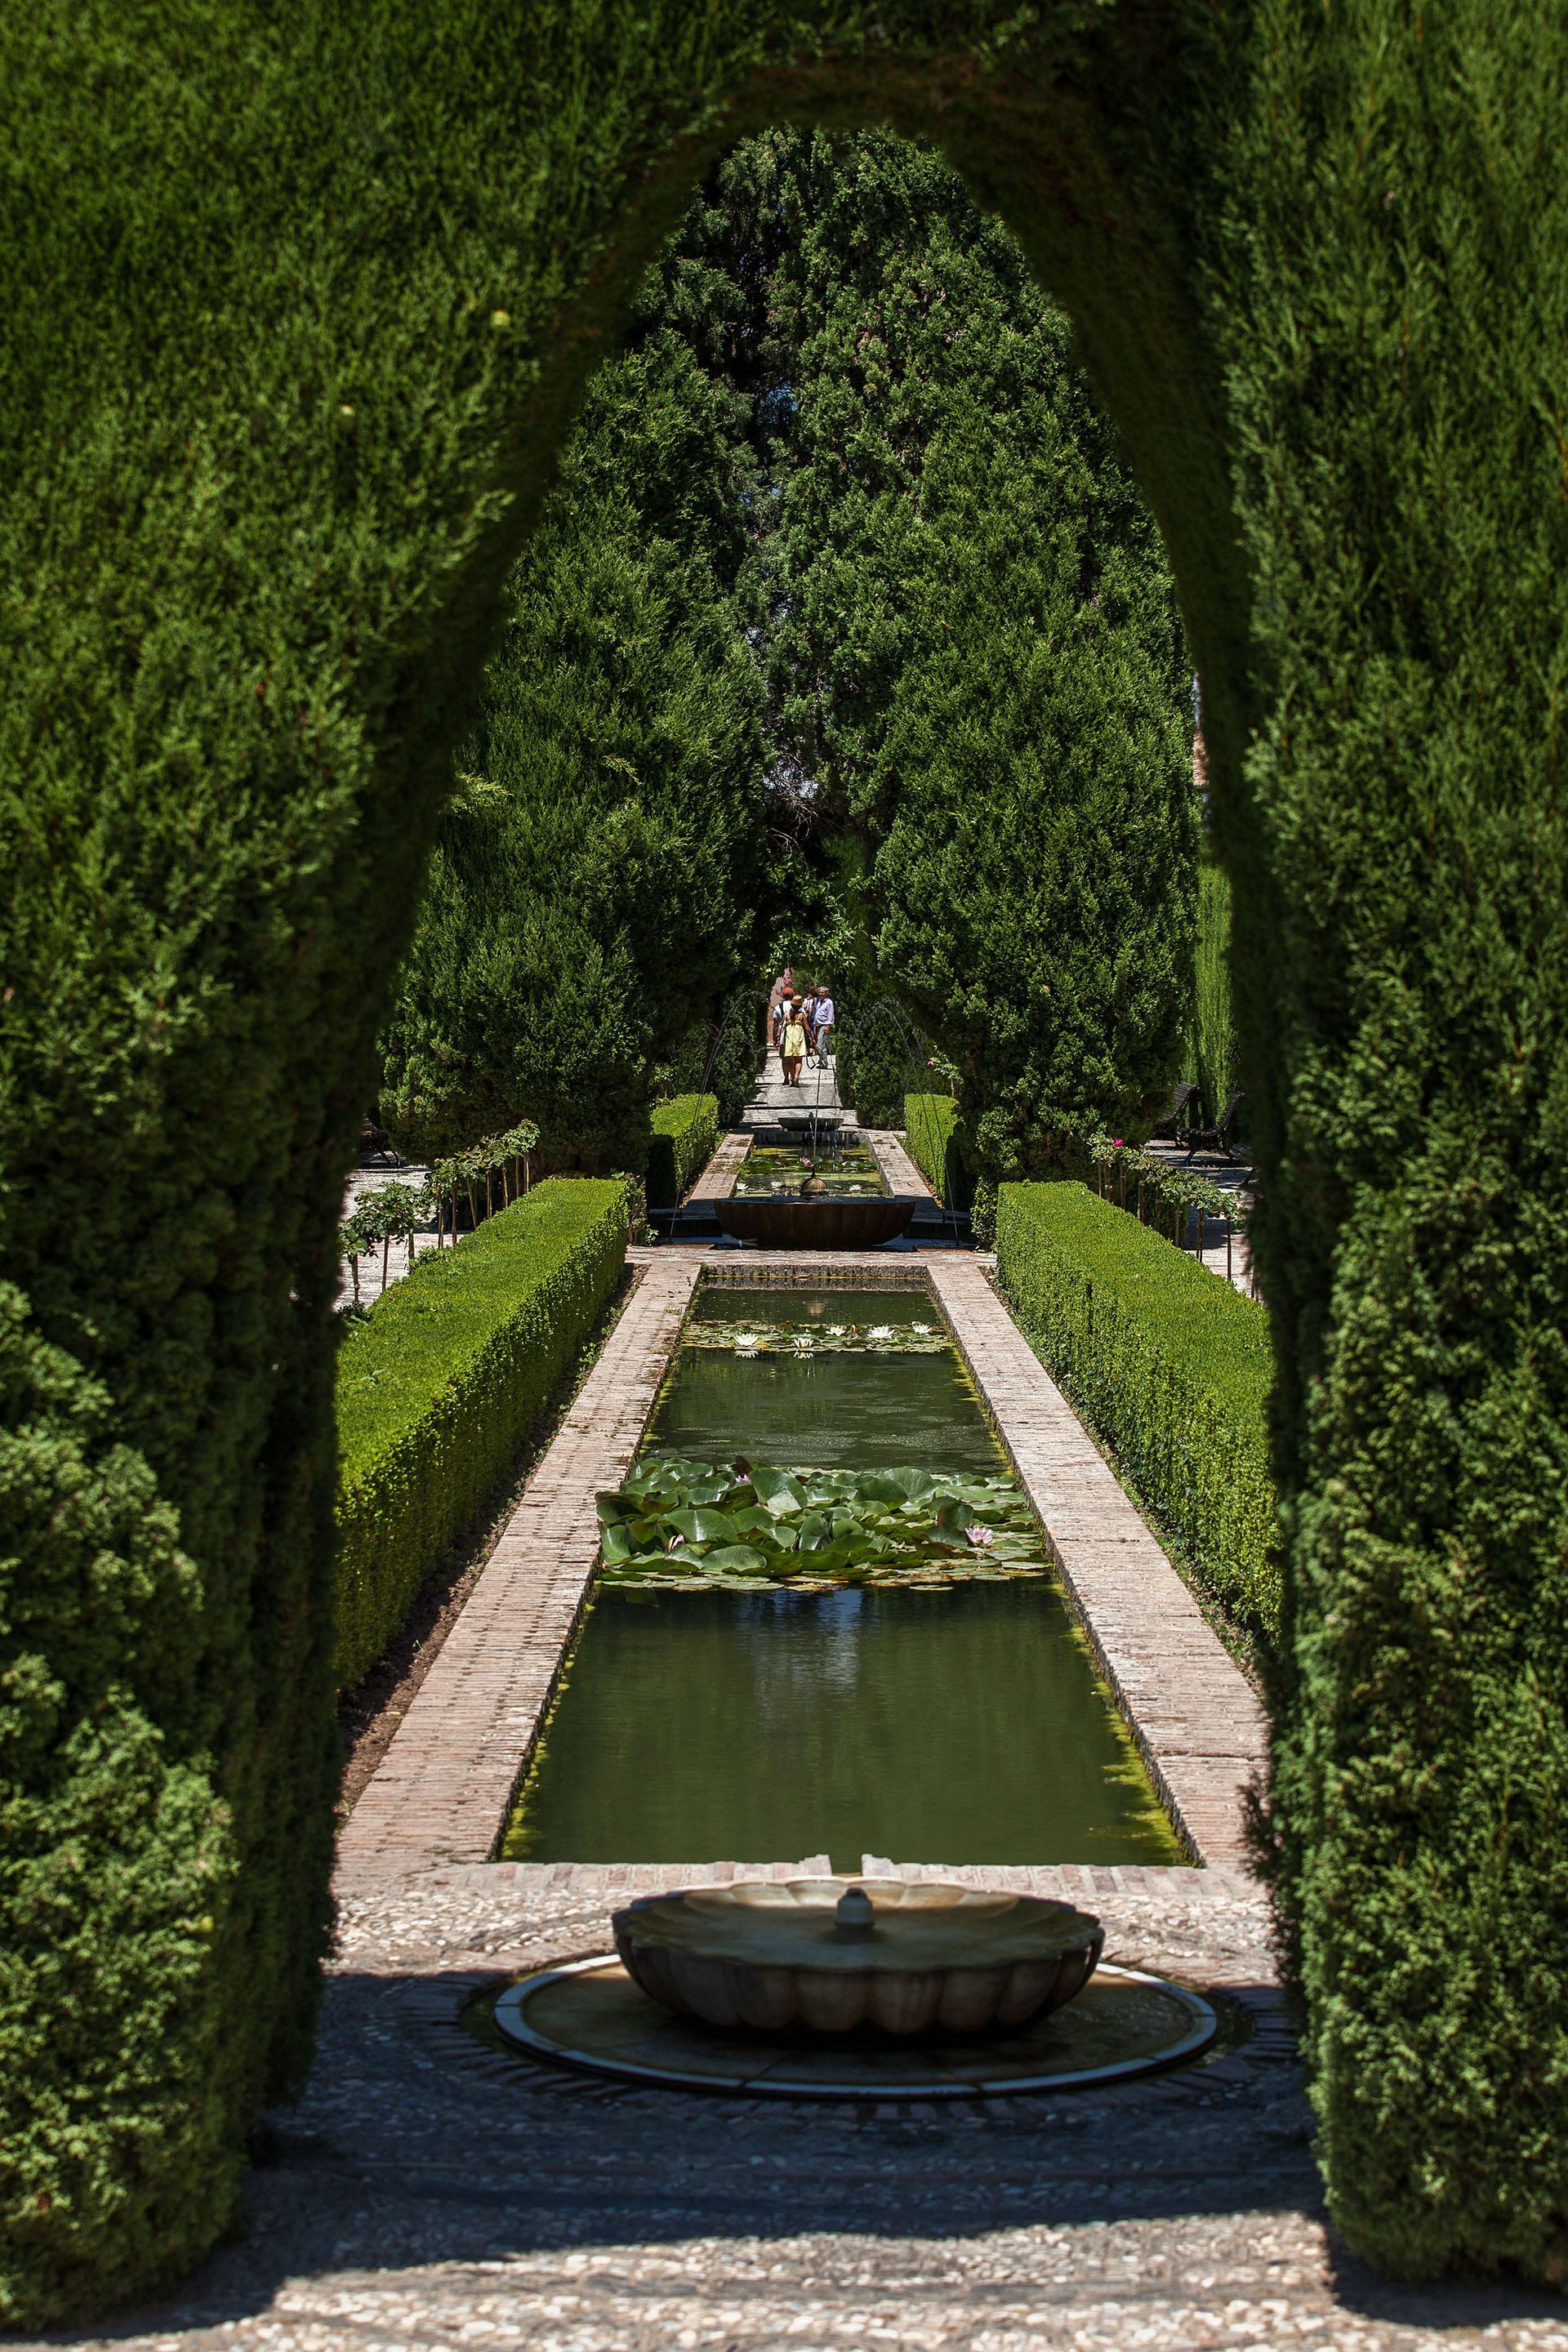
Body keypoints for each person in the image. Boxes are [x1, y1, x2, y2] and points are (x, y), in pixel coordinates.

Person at [780, 996, 808, 1087]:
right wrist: (811, 1038)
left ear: (792, 1004)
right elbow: (807, 1028)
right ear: (800, 1006)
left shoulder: (786, 1015)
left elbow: (781, 1027)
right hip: (798, 1038)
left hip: (789, 1039)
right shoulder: (801, 1015)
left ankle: (792, 1077)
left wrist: (778, 1038)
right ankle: (796, 1077)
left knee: (790, 1060)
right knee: (799, 1059)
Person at [768, 965, 795, 1055]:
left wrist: (774, 1039)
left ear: (783, 996)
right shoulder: (797, 1006)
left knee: (784, 1056)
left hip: (784, 1033)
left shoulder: (778, 1007)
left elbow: (775, 1025)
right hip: (796, 1033)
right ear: (793, 996)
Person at [812, 982, 835, 1064]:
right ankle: (822, 1060)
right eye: (819, 992)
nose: (820, 994)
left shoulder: (829, 1002)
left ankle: (824, 1061)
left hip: (824, 1025)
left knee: (820, 1043)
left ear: (826, 993)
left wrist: (828, 1026)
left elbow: (830, 1014)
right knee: (821, 1044)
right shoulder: (819, 1002)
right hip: (818, 1025)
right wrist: (815, 1025)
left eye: (822, 992)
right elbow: (817, 1014)